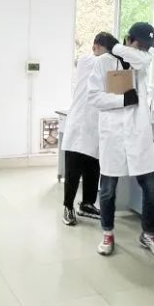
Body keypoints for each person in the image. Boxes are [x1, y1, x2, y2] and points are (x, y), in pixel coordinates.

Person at [87, 22, 154, 258]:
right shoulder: (103, 63)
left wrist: (116, 47)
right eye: (140, 45)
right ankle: (108, 233)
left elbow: (141, 59)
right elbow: (94, 97)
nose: (144, 50)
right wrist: (122, 101)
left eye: (147, 47)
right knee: (108, 190)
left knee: (151, 186)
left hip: (138, 135)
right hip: (113, 135)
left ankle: (148, 233)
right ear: (130, 39)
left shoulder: (141, 61)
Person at [61, 32, 116, 226]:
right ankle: (68, 206)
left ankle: (87, 204)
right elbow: (107, 63)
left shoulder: (108, 66)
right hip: (79, 124)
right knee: (73, 172)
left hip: (96, 127)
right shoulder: (87, 61)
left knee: (93, 169)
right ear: (96, 47)